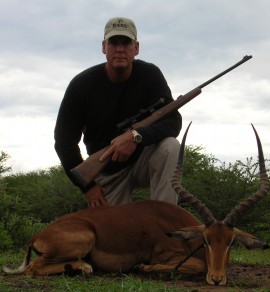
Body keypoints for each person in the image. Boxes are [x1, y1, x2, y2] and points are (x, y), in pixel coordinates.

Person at [54, 17, 182, 207]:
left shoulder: (150, 74)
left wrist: (136, 136)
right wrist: (87, 187)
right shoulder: (81, 85)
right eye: (114, 43)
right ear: (104, 47)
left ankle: (164, 221)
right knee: (114, 235)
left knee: (171, 147)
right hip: (108, 174)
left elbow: (173, 121)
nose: (120, 49)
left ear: (136, 48)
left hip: (143, 162)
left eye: (126, 43)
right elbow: (64, 142)